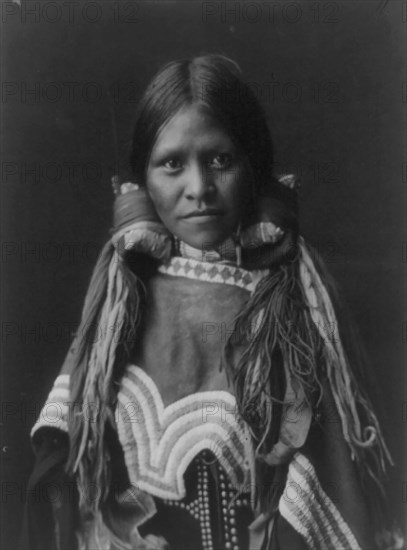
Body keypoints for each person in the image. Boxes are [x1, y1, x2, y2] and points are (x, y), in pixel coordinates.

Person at [22, 55, 401, 550]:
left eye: (220, 159)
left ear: (252, 165)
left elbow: (329, 467)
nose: (199, 189)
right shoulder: (119, 300)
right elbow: (72, 471)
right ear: (143, 177)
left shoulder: (294, 294)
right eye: (172, 164)